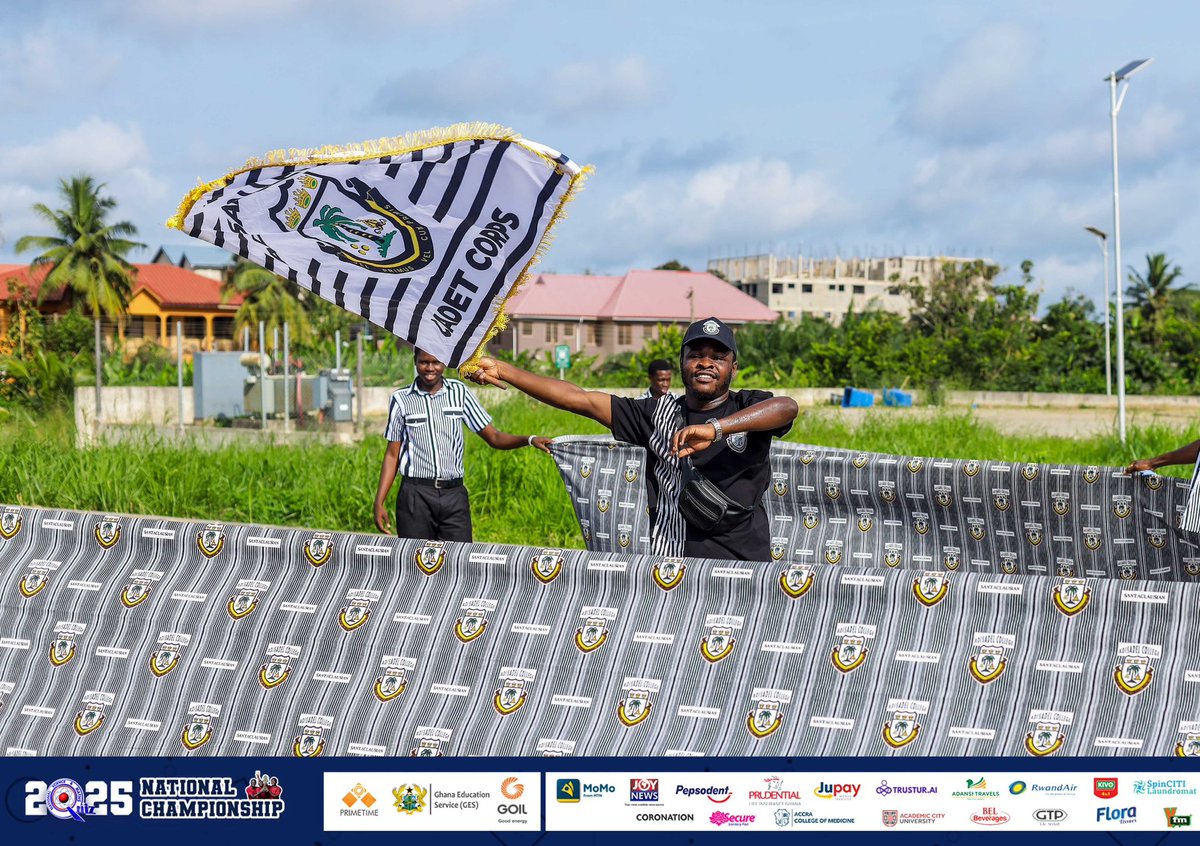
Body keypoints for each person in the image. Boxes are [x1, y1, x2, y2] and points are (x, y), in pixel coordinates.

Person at [467, 316, 798, 561]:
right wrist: (503, 369)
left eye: (718, 356)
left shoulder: (749, 406)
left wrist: (716, 429)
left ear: (734, 367)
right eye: (696, 354)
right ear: (682, 363)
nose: (706, 362)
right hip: (675, 562)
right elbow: (577, 398)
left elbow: (787, 407)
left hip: (747, 561)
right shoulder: (654, 414)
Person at [375, 347, 552, 541]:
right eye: (424, 362)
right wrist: (379, 501)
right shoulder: (401, 399)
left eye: (436, 362)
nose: (430, 368)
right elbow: (392, 455)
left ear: (444, 362)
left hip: (454, 496)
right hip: (415, 496)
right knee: (415, 564)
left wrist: (529, 439)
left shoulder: (459, 393)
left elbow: (494, 437)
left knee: (458, 562)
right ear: (415, 361)